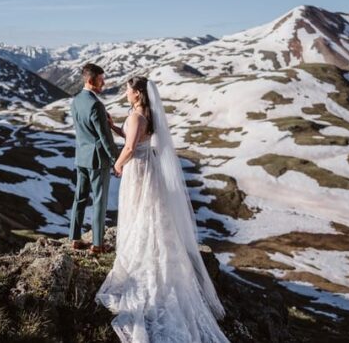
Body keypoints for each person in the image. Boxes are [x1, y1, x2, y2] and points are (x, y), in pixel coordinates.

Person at [95, 76, 230, 343]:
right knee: (149, 212)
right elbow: (138, 139)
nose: (125, 93)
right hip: (149, 167)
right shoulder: (146, 115)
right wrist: (115, 128)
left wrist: (118, 165)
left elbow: (132, 147)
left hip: (139, 170)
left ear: (137, 93)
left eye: (128, 90)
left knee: (138, 211)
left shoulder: (136, 116)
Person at [68, 63, 120, 255]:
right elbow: (105, 138)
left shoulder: (75, 101)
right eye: (101, 80)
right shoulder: (96, 105)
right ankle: (97, 244)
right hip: (97, 160)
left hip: (81, 156)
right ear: (91, 81)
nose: (104, 83)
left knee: (79, 198)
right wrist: (117, 160)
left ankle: (74, 238)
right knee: (99, 200)